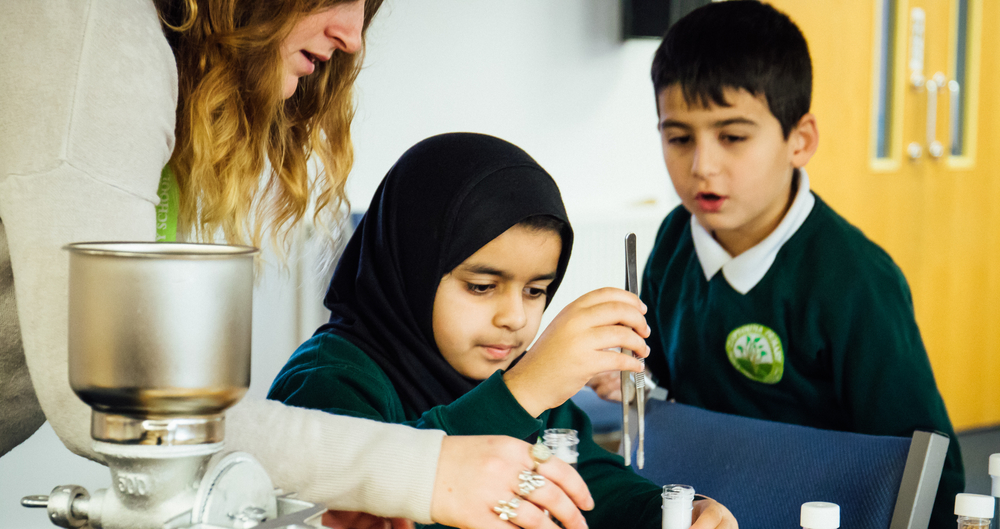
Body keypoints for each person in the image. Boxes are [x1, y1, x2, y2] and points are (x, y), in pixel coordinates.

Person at [0, 2, 593, 527]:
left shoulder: (148, 57)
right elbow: (126, 403)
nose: (353, 34)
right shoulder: (91, 35)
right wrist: (423, 469)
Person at [586, 2, 964, 527]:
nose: (702, 166)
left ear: (800, 141)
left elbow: (930, 471)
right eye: (679, 138)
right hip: (701, 511)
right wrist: (633, 378)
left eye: (733, 137)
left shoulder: (855, 279)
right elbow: (666, 386)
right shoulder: (674, 239)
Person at [268, 132, 738, 529]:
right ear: (410, 268)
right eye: (481, 286)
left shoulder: (507, 368)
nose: (514, 317)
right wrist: (522, 393)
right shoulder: (327, 382)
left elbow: (586, 478)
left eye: (536, 291)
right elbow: (392, 501)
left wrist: (671, 513)